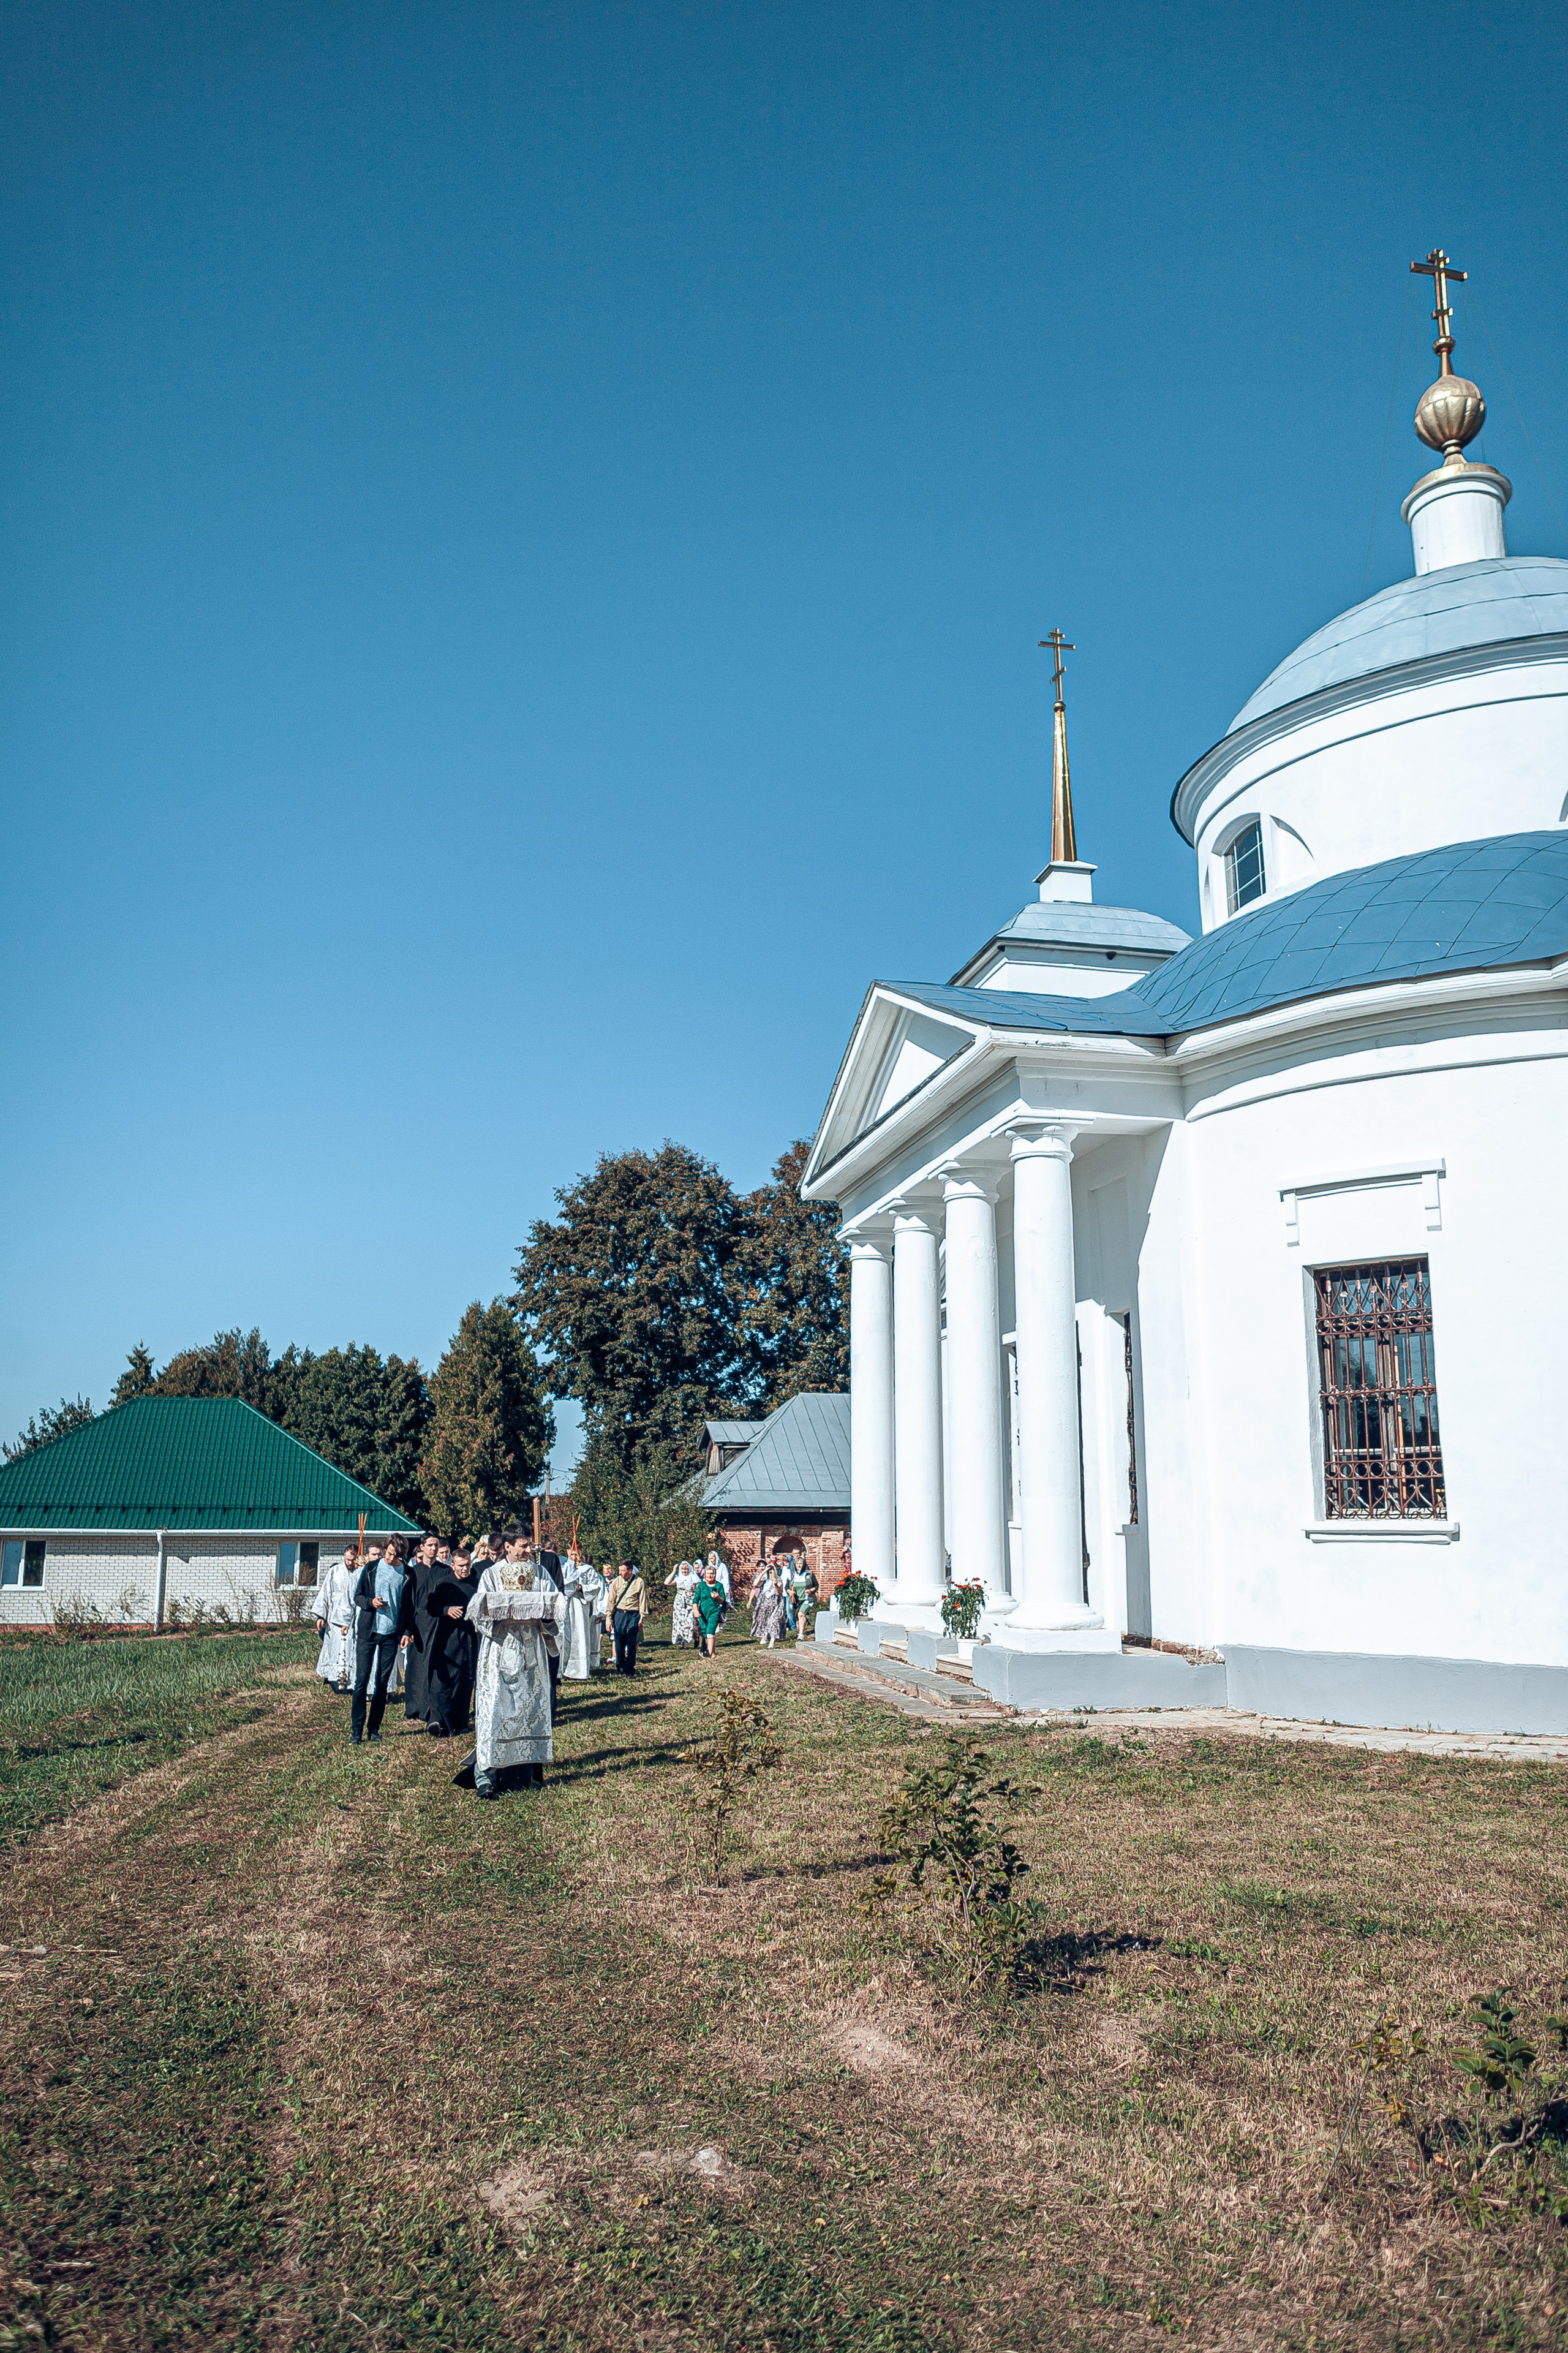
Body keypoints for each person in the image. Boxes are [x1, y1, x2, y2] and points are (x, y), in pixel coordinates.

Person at [461, 1534, 564, 1798]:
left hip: (531, 1651)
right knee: (497, 1709)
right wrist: (502, 1616)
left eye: (530, 1545)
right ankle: (485, 1776)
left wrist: (547, 1618)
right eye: (524, 1546)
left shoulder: (540, 1572)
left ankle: (525, 1774)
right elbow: (480, 1614)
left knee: (529, 1711)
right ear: (508, 1547)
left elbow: (553, 1607)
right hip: (500, 1650)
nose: (529, 1550)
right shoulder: (492, 1574)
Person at [350, 1539, 409, 1744]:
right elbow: (358, 1596)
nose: (391, 1558)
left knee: (382, 1684)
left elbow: (410, 1607)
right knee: (361, 1681)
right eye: (389, 1553)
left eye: (396, 1555)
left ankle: (374, 1729)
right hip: (369, 1631)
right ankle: (356, 1731)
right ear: (386, 1549)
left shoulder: (408, 1574)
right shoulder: (371, 1568)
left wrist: (406, 1632)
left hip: (391, 1634)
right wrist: (370, 1603)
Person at [420, 1546, 477, 1737]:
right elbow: (431, 1607)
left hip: (468, 1638)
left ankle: (459, 1724)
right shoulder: (443, 1583)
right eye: (461, 1565)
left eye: (468, 1565)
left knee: (465, 1682)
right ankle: (438, 1720)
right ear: (453, 1565)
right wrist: (446, 1610)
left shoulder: (475, 1584)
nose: (465, 1569)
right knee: (442, 1683)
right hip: (447, 1638)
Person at [403, 1535, 442, 1725]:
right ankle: (416, 1707)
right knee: (417, 1665)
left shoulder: (444, 1571)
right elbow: (408, 1603)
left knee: (436, 1665)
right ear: (422, 1547)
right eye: (430, 1545)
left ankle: (433, 1707)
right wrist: (408, 1630)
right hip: (418, 1624)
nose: (433, 1548)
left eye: (436, 1545)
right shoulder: (413, 1572)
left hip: (438, 1623)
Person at [312, 1546, 358, 1692]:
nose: (350, 1563)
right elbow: (325, 1593)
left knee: (351, 1647)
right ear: (344, 1555)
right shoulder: (335, 1571)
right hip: (335, 1614)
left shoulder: (359, 1572)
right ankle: (334, 1679)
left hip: (353, 1615)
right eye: (348, 1559)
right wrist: (321, 1616)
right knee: (335, 1646)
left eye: (353, 1560)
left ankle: (351, 1681)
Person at [605, 1560, 647, 1675]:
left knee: (632, 1641)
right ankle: (620, 1666)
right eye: (619, 1570)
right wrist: (608, 1618)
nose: (620, 1573)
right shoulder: (616, 1582)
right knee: (619, 1641)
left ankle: (629, 1668)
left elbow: (643, 1600)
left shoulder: (639, 1582)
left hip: (633, 1614)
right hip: (619, 1614)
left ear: (630, 1571)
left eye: (623, 1571)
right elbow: (611, 1601)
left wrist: (642, 1618)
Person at [750, 1560, 786, 1649]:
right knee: (764, 1621)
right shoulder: (764, 1580)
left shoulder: (778, 1579)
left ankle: (772, 1640)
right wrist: (764, 1572)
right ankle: (764, 1636)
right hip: (764, 1603)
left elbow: (779, 1592)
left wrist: (775, 1583)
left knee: (773, 1621)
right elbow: (755, 1584)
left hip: (776, 1604)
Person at [693, 1562, 725, 1659]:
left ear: (715, 1574)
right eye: (708, 1574)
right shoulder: (701, 1586)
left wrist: (717, 1597)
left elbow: (723, 1600)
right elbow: (695, 1600)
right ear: (705, 1575)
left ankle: (711, 1656)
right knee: (705, 1632)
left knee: (710, 1632)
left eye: (712, 1574)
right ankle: (710, 1653)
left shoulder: (719, 1586)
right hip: (703, 1614)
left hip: (714, 1612)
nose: (710, 1576)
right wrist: (696, 1610)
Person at [665, 1559, 699, 1649]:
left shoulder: (693, 1577)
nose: (685, 1571)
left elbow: (698, 1589)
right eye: (683, 1570)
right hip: (680, 1602)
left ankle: (696, 1638)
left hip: (690, 1600)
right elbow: (667, 1583)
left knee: (692, 1621)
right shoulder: (678, 1578)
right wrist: (674, 1571)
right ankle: (684, 1644)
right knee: (681, 1622)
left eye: (686, 1570)